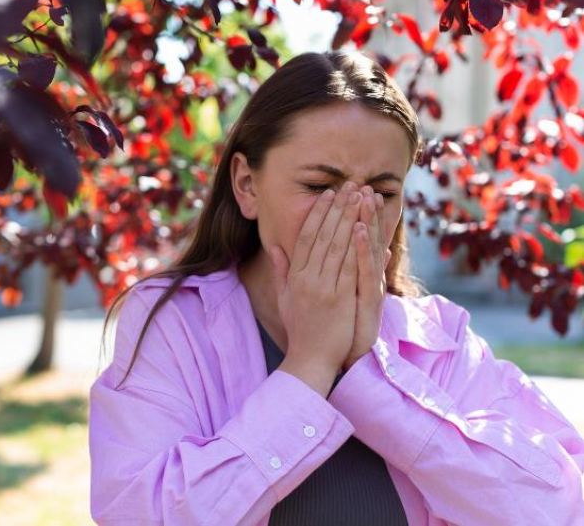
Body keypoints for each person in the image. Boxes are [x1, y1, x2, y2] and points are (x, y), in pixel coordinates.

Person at [87, 50, 584, 525]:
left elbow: (561, 508)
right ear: (246, 184)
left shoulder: (440, 339)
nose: (356, 215)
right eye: (320, 187)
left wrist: (372, 379)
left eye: (384, 193)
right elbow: (140, 513)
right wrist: (309, 368)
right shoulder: (172, 322)